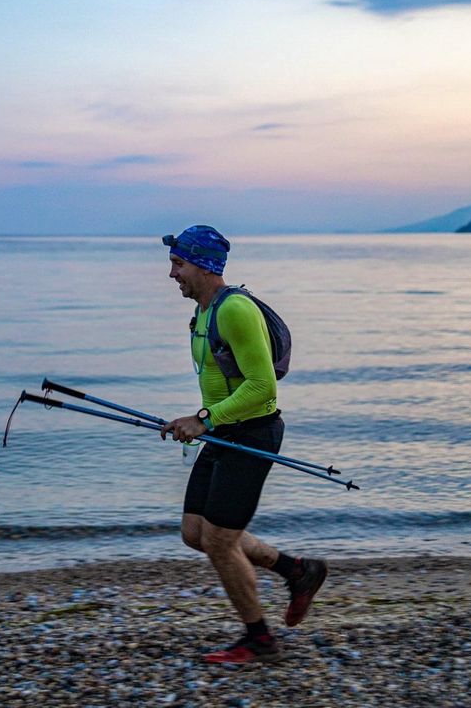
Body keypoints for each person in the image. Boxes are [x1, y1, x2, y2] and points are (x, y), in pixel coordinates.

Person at [159, 225, 328, 664]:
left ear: (202, 264)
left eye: (178, 263)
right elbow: (222, 387)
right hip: (224, 432)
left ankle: (259, 640)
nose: (172, 273)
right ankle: (297, 570)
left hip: (252, 433)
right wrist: (200, 422)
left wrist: (202, 420)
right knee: (195, 532)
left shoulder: (234, 310)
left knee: (219, 541)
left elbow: (262, 387)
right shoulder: (203, 314)